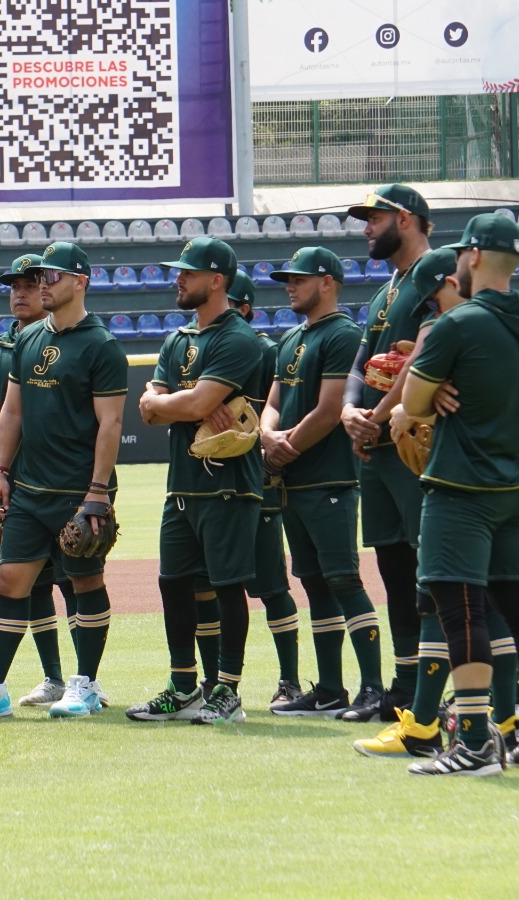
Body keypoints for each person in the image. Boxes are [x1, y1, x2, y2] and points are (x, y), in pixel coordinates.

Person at [0, 241, 127, 720]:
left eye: (51, 276)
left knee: (85, 581)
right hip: (30, 490)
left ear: (80, 281)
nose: (42, 284)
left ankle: (85, 684)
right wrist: (0, 473)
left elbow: (111, 424)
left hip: (78, 491)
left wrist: (98, 491)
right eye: (40, 276)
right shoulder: (29, 339)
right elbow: (12, 411)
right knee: (10, 581)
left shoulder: (101, 345)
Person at [398, 213, 519, 775]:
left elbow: (412, 406)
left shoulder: (458, 323)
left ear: (471, 256)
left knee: (461, 610)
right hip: (517, 484)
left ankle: (473, 744)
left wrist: (430, 392)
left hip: (460, 486)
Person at [126, 237, 264, 725]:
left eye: (188, 272)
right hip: (182, 485)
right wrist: (177, 403)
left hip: (229, 485)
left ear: (217, 280)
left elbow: (190, 403)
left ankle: (227, 691)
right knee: (173, 583)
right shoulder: (177, 338)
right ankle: (184, 686)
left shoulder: (238, 338)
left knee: (227, 587)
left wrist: (174, 402)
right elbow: (150, 410)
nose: (178, 278)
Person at [261, 247, 385, 718]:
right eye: (287, 279)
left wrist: (284, 446)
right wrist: (267, 435)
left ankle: (373, 687)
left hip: (329, 479)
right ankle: (331, 688)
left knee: (343, 580)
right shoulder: (291, 337)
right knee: (314, 584)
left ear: (327, 282)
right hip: (295, 483)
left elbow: (332, 408)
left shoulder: (343, 333)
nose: (290, 286)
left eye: (299, 278)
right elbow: (273, 402)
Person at [338, 184, 435, 722]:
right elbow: (361, 362)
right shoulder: (384, 292)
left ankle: (446, 688)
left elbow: (422, 357)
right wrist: (350, 411)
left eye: (374, 218)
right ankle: (406, 684)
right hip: (377, 449)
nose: (366, 228)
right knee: (395, 571)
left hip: (415, 445)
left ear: (405, 218)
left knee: (431, 572)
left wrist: (372, 416)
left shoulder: (432, 277)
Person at [0, 252, 77, 707]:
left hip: (63, 482)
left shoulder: (69, 341)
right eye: (15, 286)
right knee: (30, 582)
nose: (21, 293)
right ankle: (54, 679)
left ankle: (85, 679)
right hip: (16, 487)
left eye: (30, 285)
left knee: (73, 577)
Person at [224, 271, 303, 708]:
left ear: (245, 308)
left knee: (271, 586)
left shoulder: (267, 351)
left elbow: (280, 410)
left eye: (230, 304)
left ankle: (290, 680)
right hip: (210, 484)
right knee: (210, 588)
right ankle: (215, 684)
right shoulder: (199, 347)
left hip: (257, 483)